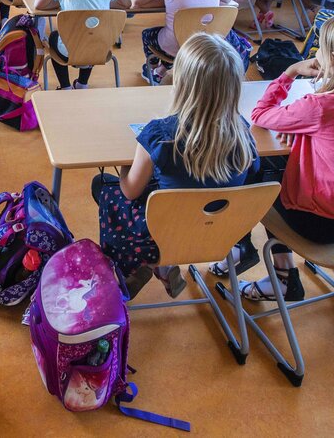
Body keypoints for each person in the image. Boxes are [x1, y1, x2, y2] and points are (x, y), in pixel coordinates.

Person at [211, 12, 334, 301]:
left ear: (333, 59)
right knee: (274, 163)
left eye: (321, 48)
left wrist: (290, 72)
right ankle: (251, 256)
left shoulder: (322, 107)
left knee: (251, 167)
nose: (315, 53)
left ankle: (264, 264)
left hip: (323, 225)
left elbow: (259, 115)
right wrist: (304, 132)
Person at [93, 33, 259, 298]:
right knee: (173, 192)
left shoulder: (160, 135)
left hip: (160, 235)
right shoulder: (244, 136)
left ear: (182, 83)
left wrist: (125, 165)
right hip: (221, 235)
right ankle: (162, 266)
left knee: (103, 186)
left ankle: (140, 264)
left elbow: (129, 192)